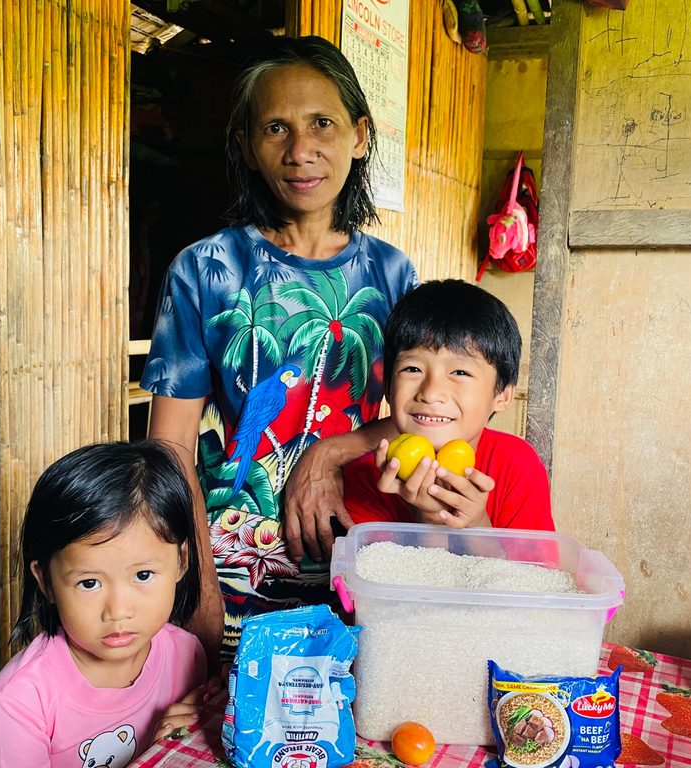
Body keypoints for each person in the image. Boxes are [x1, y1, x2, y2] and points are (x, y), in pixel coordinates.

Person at [142, 35, 417, 667]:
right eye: (275, 128)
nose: (301, 152)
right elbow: (170, 446)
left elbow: (419, 417)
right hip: (234, 562)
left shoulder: (394, 276)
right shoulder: (206, 269)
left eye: (322, 123)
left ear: (359, 135)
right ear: (245, 144)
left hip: (360, 557)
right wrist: (201, 591)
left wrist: (328, 453)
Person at [0, 441, 210, 768]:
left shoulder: (187, 656)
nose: (118, 610)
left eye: (143, 575)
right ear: (46, 582)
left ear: (181, 561)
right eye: (89, 583)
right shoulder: (20, 702)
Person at [342, 280, 553, 530]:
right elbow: (370, 568)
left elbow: (536, 569)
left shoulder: (517, 465)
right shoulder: (362, 478)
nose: (430, 393)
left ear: (503, 395)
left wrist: (476, 525)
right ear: (387, 386)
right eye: (412, 369)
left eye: (460, 372)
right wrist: (430, 517)